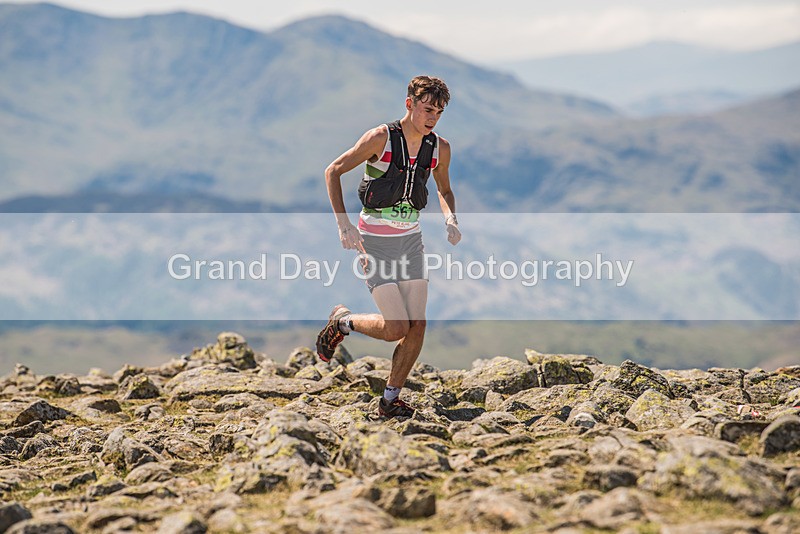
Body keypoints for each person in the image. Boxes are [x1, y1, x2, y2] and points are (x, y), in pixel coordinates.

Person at [316, 75, 461, 418]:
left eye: (438, 113)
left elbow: (444, 190)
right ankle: (342, 321)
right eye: (427, 110)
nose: (432, 118)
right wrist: (344, 224)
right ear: (409, 104)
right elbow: (333, 171)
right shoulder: (380, 138)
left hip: (410, 242)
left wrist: (450, 218)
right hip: (375, 242)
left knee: (418, 325)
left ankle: (389, 401)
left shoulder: (439, 148)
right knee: (396, 327)